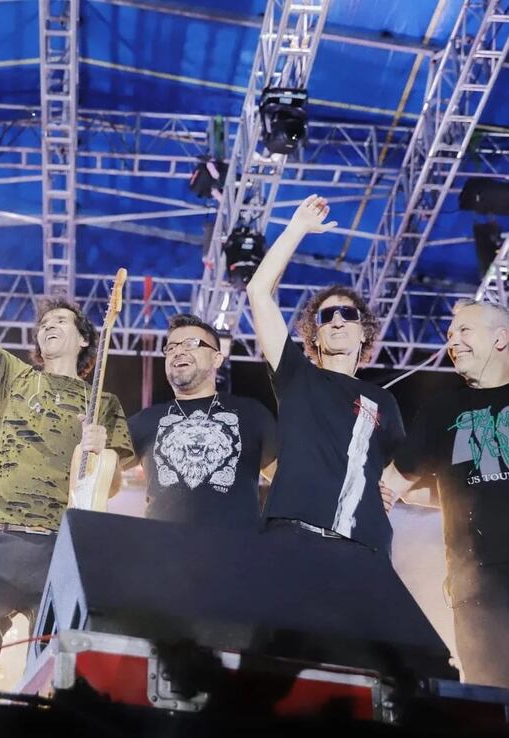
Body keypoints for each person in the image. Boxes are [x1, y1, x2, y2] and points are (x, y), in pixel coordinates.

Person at [0, 195, 134, 695]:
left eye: (61, 321)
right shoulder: (16, 376)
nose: (48, 325)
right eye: (44, 324)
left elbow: (111, 486)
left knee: (52, 675)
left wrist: (102, 452)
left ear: (85, 340)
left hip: (57, 545)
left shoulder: (103, 401)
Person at [246, 195, 405, 552]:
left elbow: (401, 467)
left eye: (348, 314)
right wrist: (298, 227)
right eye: (326, 316)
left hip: (364, 544)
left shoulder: (383, 401)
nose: (337, 320)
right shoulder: (296, 376)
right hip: (292, 535)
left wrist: (393, 489)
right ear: (314, 336)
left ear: (363, 332)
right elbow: (258, 292)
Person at [383, 299, 509, 687]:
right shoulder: (441, 409)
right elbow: (395, 486)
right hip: (476, 584)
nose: (453, 342)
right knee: (489, 691)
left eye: (464, 331)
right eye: (450, 335)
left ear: (501, 338)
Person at [128, 313, 276, 527]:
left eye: (191, 344)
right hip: (162, 546)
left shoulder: (252, 413)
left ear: (217, 358)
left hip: (236, 546)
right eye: (171, 347)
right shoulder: (146, 419)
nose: (178, 351)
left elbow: (287, 482)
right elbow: (102, 472)